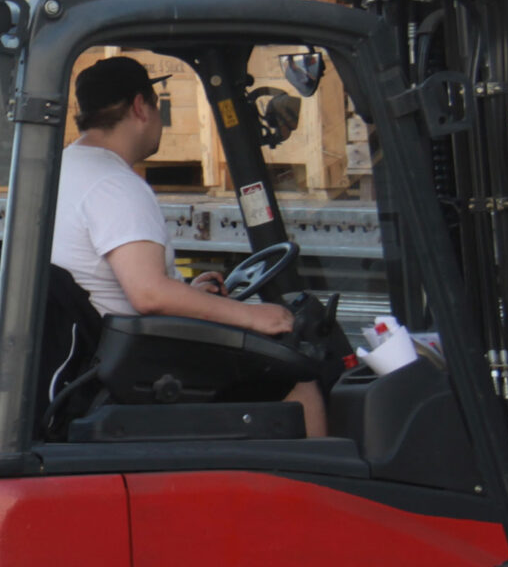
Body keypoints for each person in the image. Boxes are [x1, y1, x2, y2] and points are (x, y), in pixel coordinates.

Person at [53, 56, 328, 439]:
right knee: (296, 376)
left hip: (99, 353)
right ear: (139, 107)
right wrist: (249, 316)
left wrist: (187, 296)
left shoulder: (62, 168)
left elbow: (120, 283)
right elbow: (149, 295)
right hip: (133, 367)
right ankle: (315, 486)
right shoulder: (115, 185)